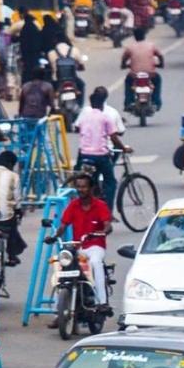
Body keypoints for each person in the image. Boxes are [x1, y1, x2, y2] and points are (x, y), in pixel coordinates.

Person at [47, 173, 113, 309]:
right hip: (78, 247)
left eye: (84, 187)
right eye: (78, 187)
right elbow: (63, 226)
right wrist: (53, 236)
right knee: (62, 269)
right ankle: (57, 310)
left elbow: (108, 225)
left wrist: (102, 232)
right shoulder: (73, 205)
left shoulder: (100, 205)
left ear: (91, 188)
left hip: (95, 246)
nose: (81, 190)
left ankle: (102, 301)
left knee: (96, 262)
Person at [75, 90, 129, 211]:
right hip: (100, 155)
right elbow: (114, 137)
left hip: (84, 154)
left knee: (90, 181)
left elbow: (77, 128)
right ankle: (107, 213)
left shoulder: (84, 117)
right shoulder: (105, 117)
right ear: (102, 103)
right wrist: (123, 148)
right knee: (110, 183)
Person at [121, 27, 164, 111]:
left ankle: (129, 102)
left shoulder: (130, 47)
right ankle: (156, 102)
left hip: (134, 74)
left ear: (135, 37)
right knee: (157, 80)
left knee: (128, 82)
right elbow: (160, 56)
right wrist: (161, 64)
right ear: (144, 36)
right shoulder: (151, 45)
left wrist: (123, 65)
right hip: (150, 73)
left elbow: (124, 59)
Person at [47, 37, 87, 107]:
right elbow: (81, 64)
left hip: (57, 80)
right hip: (73, 79)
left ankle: (52, 107)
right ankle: (80, 106)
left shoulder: (51, 53)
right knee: (82, 85)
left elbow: (49, 66)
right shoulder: (75, 50)